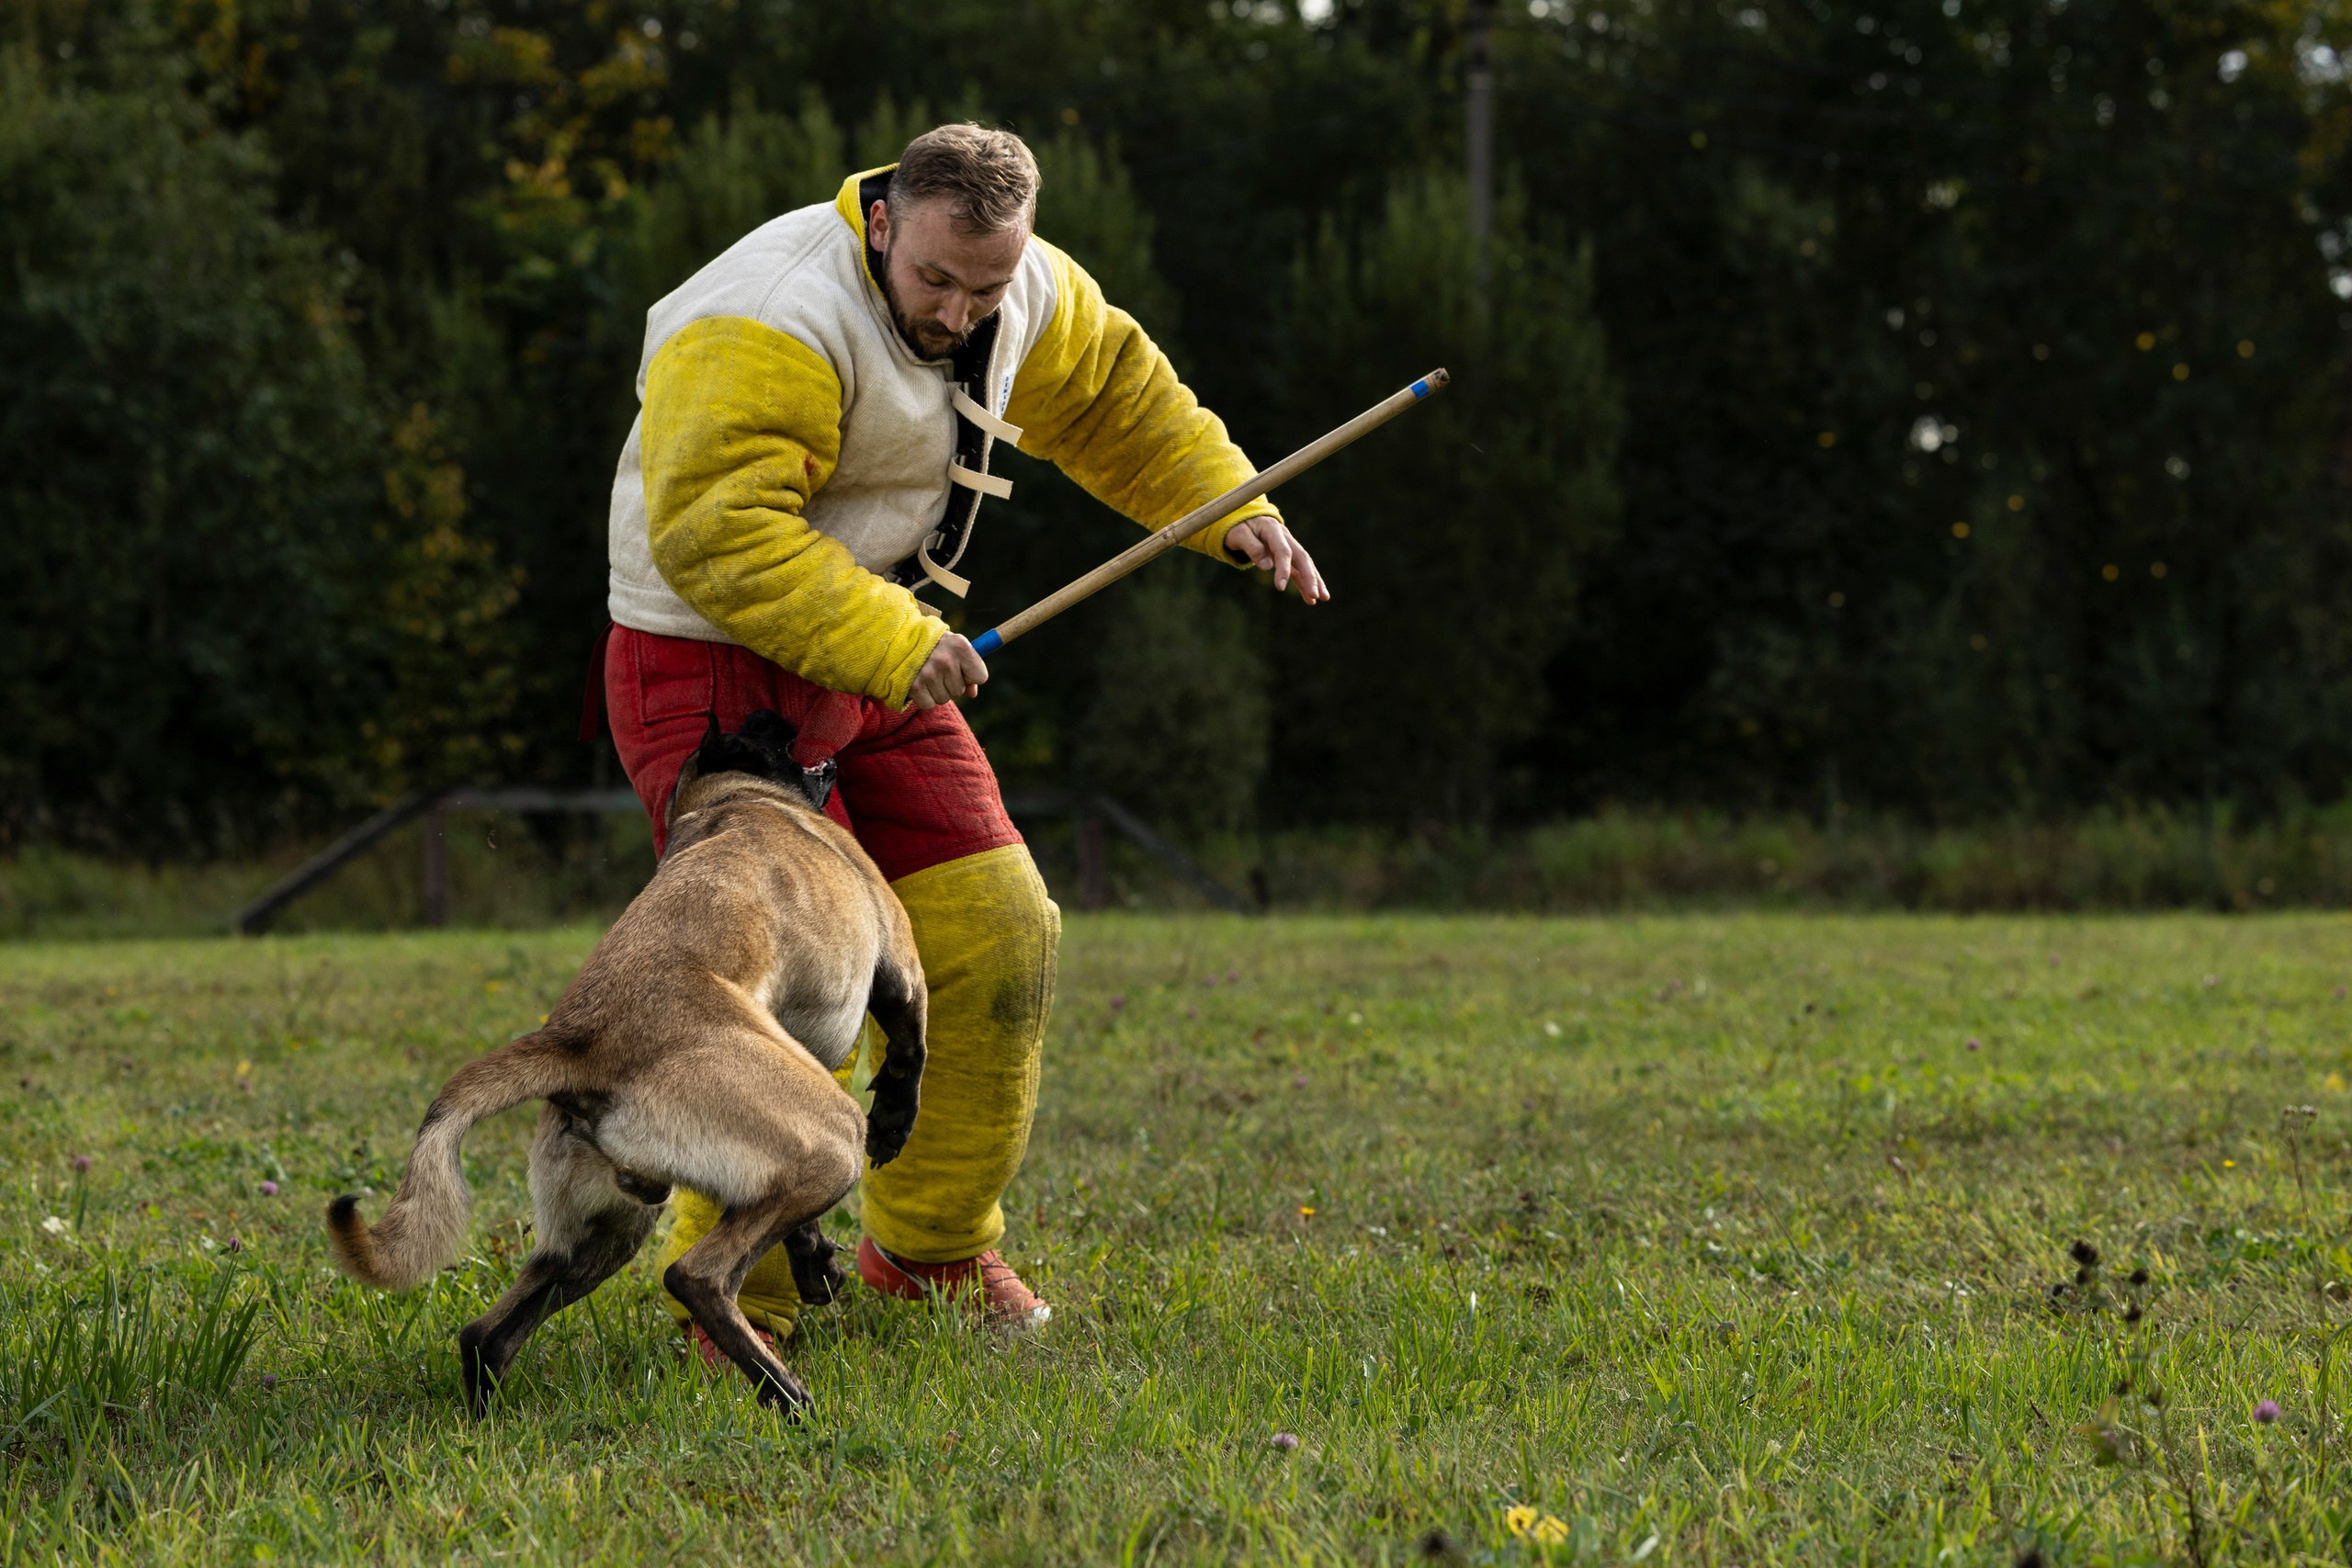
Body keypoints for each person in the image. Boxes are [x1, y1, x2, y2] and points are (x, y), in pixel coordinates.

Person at [597, 122, 1327, 1352]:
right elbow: (716, 533)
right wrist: (893, 640)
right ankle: (736, 1303)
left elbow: (1110, 401)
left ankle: (928, 1253)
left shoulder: (1021, 287)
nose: (959, 309)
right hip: (714, 657)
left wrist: (1228, 508)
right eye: (935, 279)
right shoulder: (766, 312)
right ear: (884, 221)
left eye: (986, 285)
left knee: (999, 933)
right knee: (785, 982)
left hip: (882, 649)